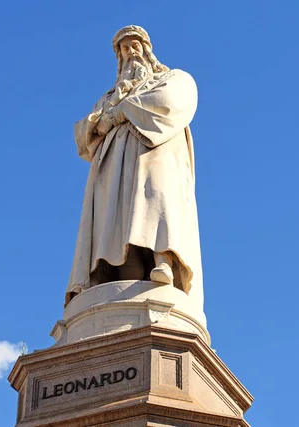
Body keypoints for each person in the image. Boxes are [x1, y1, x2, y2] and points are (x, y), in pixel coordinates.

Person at [66, 25, 203, 308]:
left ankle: (164, 262)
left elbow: (171, 102)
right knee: (117, 223)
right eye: (124, 50)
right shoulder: (110, 95)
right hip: (113, 165)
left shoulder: (173, 77)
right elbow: (84, 135)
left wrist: (120, 112)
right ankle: (116, 276)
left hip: (155, 154)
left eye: (134, 46)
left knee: (156, 207)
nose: (130, 53)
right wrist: (108, 114)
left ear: (147, 48)